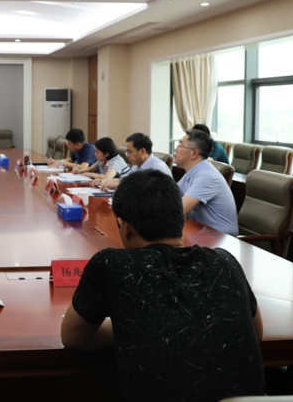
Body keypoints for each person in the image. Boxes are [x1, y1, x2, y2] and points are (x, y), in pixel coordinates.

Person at [61, 169, 264, 402]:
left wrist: (139, 326)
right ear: (181, 219)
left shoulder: (111, 264)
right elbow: (255, 334)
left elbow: (73, 337)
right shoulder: (225, 261)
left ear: (124, 226)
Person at [173, 129, 239, 235]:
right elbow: (171, 196)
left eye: (180, 146)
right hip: (201, 231)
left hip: (220, 238)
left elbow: (178, 209)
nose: (175, 149)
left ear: (194, 153)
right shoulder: (192, 172)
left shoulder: (206, 176)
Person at [95, 132, 171, 190]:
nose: (127, 156)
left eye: (129, 152)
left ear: (142, 151)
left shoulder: (158, 168)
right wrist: (103, 182)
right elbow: (125, 181)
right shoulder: (136, 166)